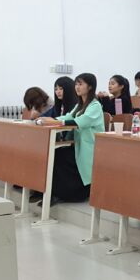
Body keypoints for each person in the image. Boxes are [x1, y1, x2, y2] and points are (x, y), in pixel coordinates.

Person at [37, 73, 103, 202]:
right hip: (78, 146)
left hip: (89, 148)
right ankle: (53, 192)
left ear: (90, 87)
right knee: (55, 154)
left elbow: (81, 122)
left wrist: (56, 122)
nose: (77, 87)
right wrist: (49, 120)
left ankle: (70, 194)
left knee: (60, 157)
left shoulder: (95, 105)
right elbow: (67, 117)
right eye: (76, 84)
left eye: (80, 84)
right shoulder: (79, 105)